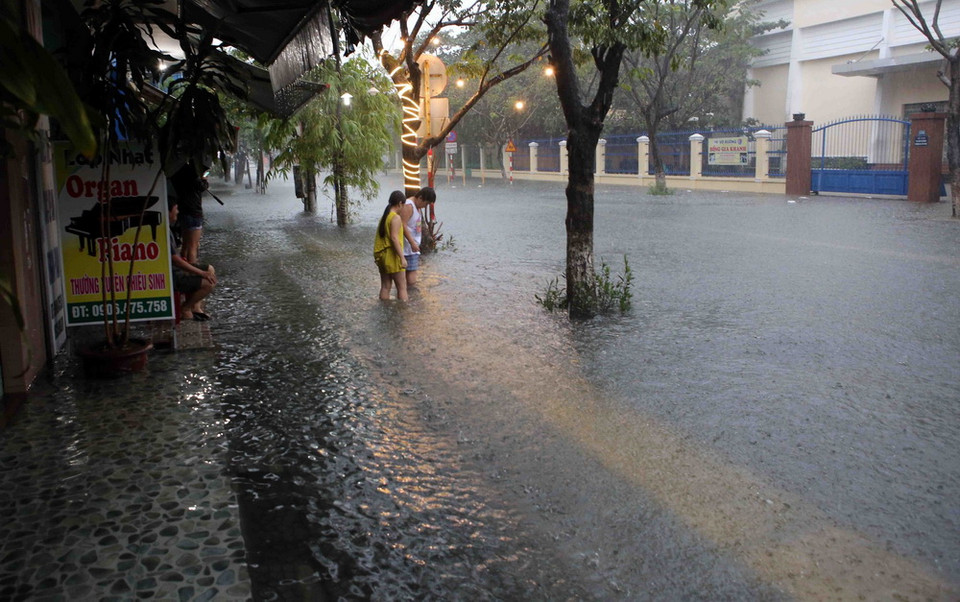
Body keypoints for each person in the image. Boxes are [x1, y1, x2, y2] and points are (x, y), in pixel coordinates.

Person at [168, 196, 217, 321]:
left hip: (175, 268)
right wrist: (201, 273)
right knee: (209, 283)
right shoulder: (164, 233)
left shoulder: (169, 229)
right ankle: (185, 308)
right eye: (176, 209)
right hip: (173, 275)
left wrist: (203, 271)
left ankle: (195, 306)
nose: (178, 212)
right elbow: (176, 261)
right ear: (168, 212)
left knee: (210, 269)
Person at [169, 161, 208, 264]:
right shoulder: (193, 173)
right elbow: (202, 187)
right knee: (193, 247)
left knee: (185, 245)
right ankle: (192, 273)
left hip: (182, 211)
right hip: (194, 212)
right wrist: (204, 178)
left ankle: (185, 269)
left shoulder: (177, 172)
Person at [374, 190, 408, 301]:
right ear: (400, 203)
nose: (403, 208)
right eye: (403, 205)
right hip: (392, 256)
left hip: (382, 256)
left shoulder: (385, 217)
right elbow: (394, 238)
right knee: (402, 288)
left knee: (385, 286)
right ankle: (403, 312)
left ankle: (384, 310)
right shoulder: (396, 218)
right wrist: (402, 258)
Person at [399, 186, 437, 287]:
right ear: (420, 198)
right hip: (407, 248)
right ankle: (408, 298)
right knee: (409, 280)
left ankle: (410, 298)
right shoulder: (409, 206)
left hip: (413, 247)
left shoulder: (417, 207)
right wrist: (412, 243)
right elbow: (402, 225)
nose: (426, 206)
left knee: (411, 278)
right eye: (426, 203)